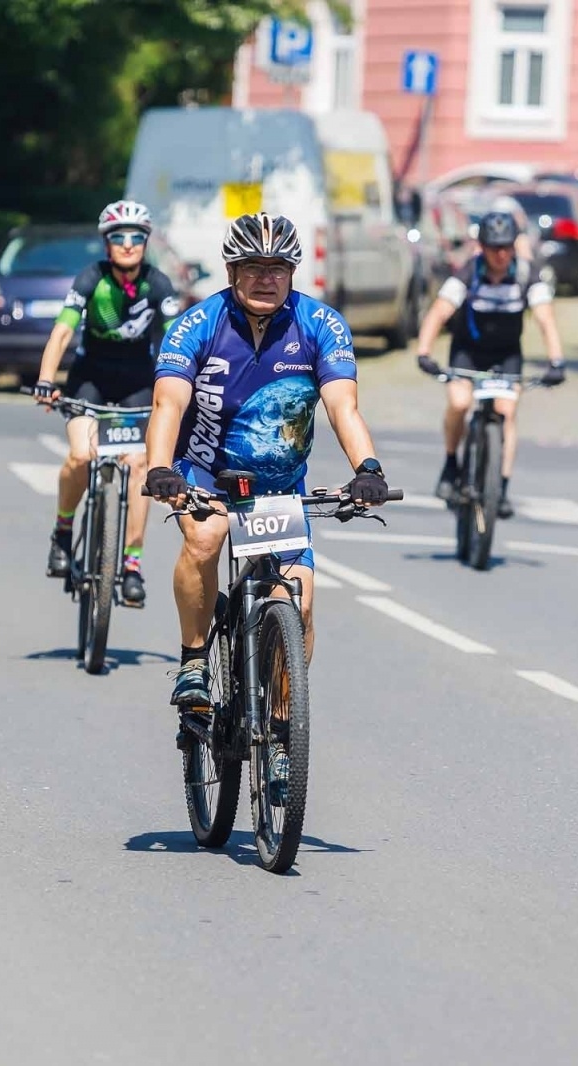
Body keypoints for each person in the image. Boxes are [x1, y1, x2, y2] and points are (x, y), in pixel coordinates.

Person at [143, 212, 391, 726]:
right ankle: (193, 661)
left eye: (278, 267)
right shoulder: (197, 325)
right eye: (253, 267)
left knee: (296, 606)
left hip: (280, 487)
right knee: (205, 542)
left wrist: (367, 468)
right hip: (206, 473)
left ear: (293, 273)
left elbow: (343, 406)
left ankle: (281, 731)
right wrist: (160, 468)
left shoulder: (320, 325)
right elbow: (168, 404)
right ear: (231, 270)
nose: (266, 278)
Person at [32, 199, 181, 606]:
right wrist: (46, 379)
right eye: (119, 237)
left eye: (137, 237)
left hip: (137, 382)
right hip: (89, 380)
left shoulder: (159, 284)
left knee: (139, 467)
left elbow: (175, 343)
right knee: (81, 456)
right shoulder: (90, 279)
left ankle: (131, 563)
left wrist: (182, 391)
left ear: (146, 242)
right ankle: (63, 532)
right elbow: (63, 332)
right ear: (107, 243)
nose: (129, 244)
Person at [413, 211, 565, 518]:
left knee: (506, 413)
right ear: (481, 247)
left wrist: (556, 360)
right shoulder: (468, 273)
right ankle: (451, 463)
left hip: (506, 354)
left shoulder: (526, 274)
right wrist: (424, 352)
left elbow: (545, 319)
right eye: (494, 247)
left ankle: (501, 489)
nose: (501, 253)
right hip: (468, 352)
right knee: (459, 402)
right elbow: (439, 312)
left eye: (507, 246)